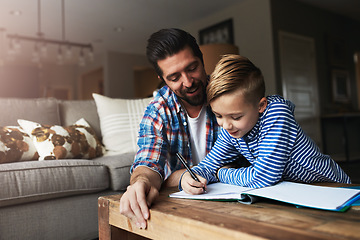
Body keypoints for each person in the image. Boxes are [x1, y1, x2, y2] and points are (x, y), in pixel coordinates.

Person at [180, 54, 351, 194]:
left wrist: (221, 173)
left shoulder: (276, 114)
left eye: (236, 117)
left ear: (261, 106)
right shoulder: (230, 129)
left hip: (333, 187)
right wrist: (191, 176)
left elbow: (262, 177)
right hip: (298, 193)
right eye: (218, 115)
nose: (226, 125)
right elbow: (209, 165)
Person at [119, 28, 220, 229]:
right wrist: (140, 183)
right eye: (174, 77)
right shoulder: (157, 111)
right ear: (162, 78)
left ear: (202, 59)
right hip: (184, 207)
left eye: (192, 68)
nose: (188, 82)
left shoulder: (227, 92)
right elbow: (148, 163)